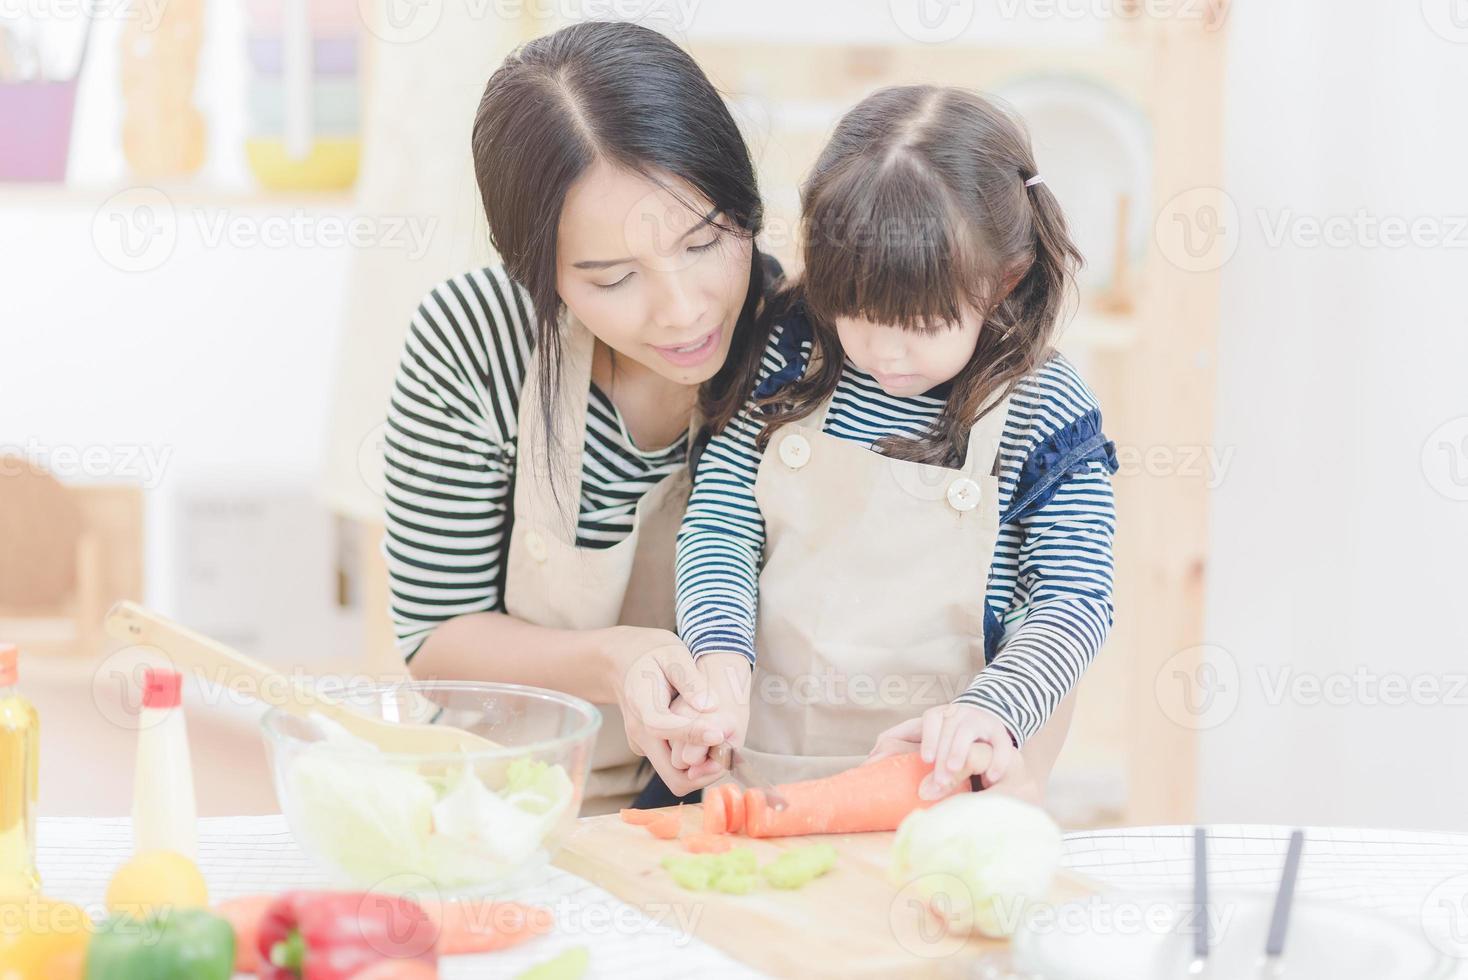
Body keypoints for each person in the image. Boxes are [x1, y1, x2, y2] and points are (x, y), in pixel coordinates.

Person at [671, 85, 1118, 803]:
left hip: (945, 785)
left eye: (920, 322)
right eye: (853, 310)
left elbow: (1074, 599)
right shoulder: (784, 353)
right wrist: (718, 656)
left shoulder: (1046, 411)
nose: (881, 350)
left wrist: (993, 711)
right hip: (760, 771)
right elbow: (721, 523)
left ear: (1004, 280)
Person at [381, 21, 777, 813]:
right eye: (613, 278)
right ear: (538, 272)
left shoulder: (804, 344)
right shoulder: (475, 341)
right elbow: (436, 639)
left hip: (748, 798)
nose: (683, 310)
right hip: (521, 797)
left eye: (705, 243)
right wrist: (619, 659)